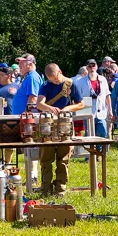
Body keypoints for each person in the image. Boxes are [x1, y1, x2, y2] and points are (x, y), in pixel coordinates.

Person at [35, 64, 84, 195]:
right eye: (51, 80)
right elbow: (39, 104)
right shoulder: (46, 85)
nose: (55, 81)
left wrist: (67, 109)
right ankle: (45, 188)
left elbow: (81, 104)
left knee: (63, 159)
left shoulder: (70, 84)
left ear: (60, 72)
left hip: (65, 124)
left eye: (56, 78)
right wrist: (50, 108)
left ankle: (60, 188)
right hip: (48, 125)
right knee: (46, 159)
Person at [74, 59, 112, 138]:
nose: (92, 68)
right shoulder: (81, 81)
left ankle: (100, 147)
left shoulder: (103, 80)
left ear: (97, 67)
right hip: (88, 112)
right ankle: (89, 146)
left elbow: (107, 95)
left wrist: (110, 110)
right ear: (87, 68)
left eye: (93, 66)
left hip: (101, 112)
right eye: (89, 66)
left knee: (103, 134)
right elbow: (77, 97)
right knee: (89, 135)